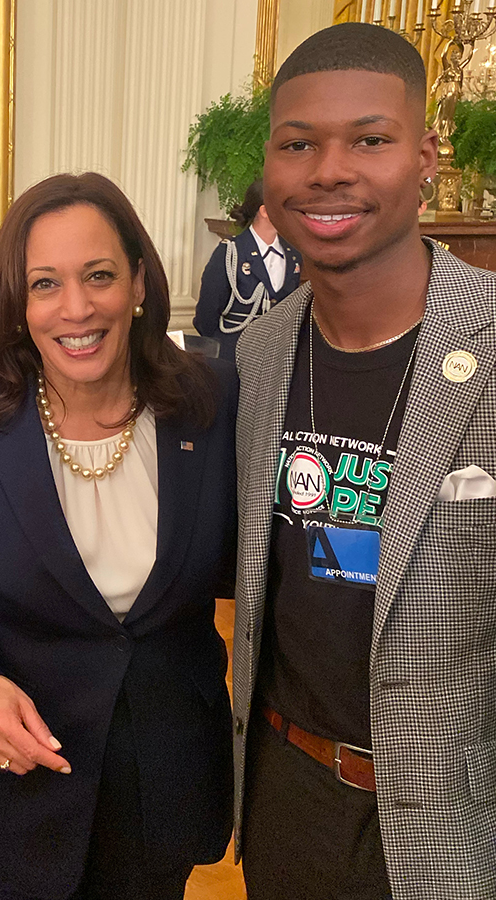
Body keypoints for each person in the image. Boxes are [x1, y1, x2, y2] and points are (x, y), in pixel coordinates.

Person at [0, 172, 237, 900]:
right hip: (13, 792)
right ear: (18, 304)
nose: (77, 307)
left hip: (162, 785)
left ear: (140, 283)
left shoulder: (217, 405)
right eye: (45, 284)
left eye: (99, 276)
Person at [232, 22, 496, 900]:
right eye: (299, 143)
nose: (330, 170)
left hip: (451, 828)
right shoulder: (263, 352)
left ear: (424, 155)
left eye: (370, 141)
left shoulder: (489, 345)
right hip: (283, 801)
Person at [193, 179, 301, 362]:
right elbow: (206, 314)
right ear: (264, 211)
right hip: (235, 354)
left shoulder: (293, 256)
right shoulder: (230, 252)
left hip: (276, 357)